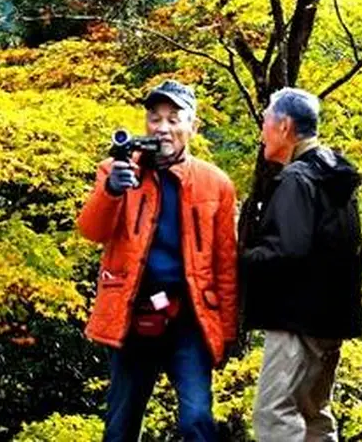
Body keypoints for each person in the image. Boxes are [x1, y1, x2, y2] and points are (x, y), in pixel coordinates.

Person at [75, 80, 239, 442]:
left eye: (173, 118)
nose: (162, 127)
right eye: (154, 118)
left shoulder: (216, 184)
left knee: (197, 418)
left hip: (191, 317)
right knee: (120, 425)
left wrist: (226, 332)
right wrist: (112, 191)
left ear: (192, 126)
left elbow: (225, 265)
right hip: (131, 313)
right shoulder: (116, 170)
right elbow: (91, 230)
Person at [243, 88, 362, 442]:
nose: (261, 131)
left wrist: (241, 260)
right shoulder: (334, 176)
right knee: (314, 415)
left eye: (265, 121)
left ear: (284, 125)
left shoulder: (298, 179)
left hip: (296, 319)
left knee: (274, 412)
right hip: (331, 319)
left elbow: (287, 250)